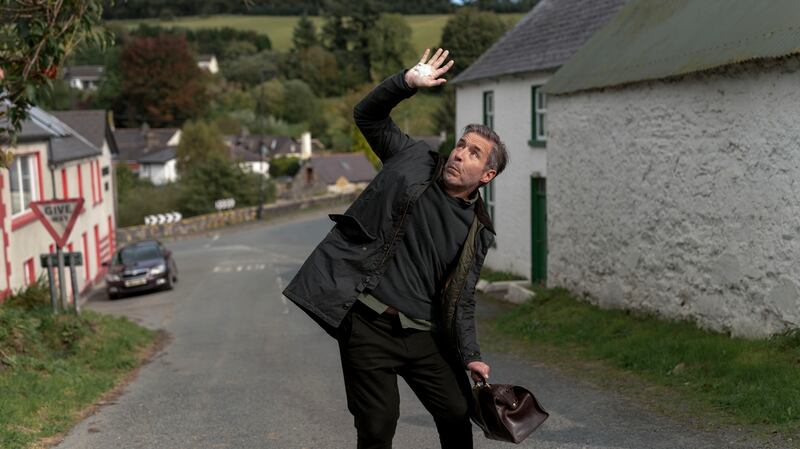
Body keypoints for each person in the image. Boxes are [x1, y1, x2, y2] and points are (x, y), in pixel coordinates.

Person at [283, 48, 508, 449]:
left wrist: (471, 354)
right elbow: (366, 116)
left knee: (457, 415)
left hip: (423, 335)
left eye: (474, 153)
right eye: (461, 144)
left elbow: (464, 298)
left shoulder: (478, 230)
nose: (459, 153)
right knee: (378, 425)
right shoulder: (413, 158)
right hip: (367, 324)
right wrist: (405, 82)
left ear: (486, 175)